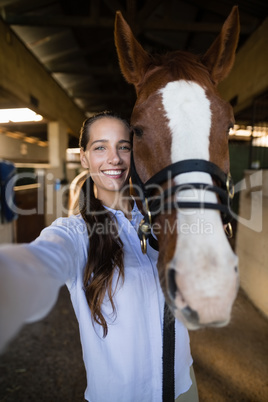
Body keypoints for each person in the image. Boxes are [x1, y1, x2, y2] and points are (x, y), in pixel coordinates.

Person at [0, 111, 198, 402]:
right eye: (100, 147)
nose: (114, 158)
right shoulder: (74, 233)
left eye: (123, 146)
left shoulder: (162, 224)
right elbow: (41, 260)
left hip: (182, 385)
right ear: (84, 157)